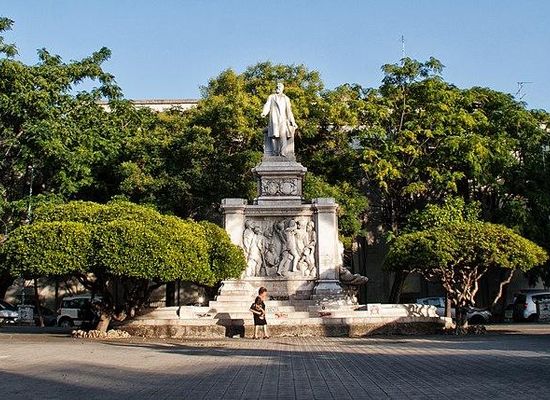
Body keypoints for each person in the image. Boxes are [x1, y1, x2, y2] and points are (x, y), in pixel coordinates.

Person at [261, 82, 297, 157]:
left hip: (283, 120)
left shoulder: (286, 98)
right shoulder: (271, 97)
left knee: (283, 135)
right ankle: (275, 152)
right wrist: (264, 112)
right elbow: (267, 105)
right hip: (274, 119)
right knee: (274, 136)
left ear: (282, 89)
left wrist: (293, 122)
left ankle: (283, 152)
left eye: (279, 86)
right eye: (277, 86)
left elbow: (289, 111)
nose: (278, 87)